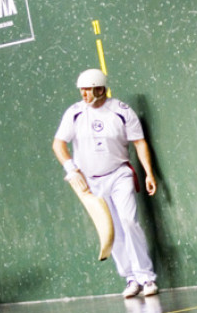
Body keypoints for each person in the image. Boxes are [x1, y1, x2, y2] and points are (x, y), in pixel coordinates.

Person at [53, 68, 159, 298]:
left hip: (119, 174)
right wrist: (71, 169)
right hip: (91, 183)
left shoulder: (121, 111)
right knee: (113, 230)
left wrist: (149, 173)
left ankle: (146, 277)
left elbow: (139, 143)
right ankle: (131, 278)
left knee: (129, 221)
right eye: (81, 91)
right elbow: (58, 144)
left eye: (88, 91)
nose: (84, 95)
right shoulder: (74, 113)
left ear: (100, 90)